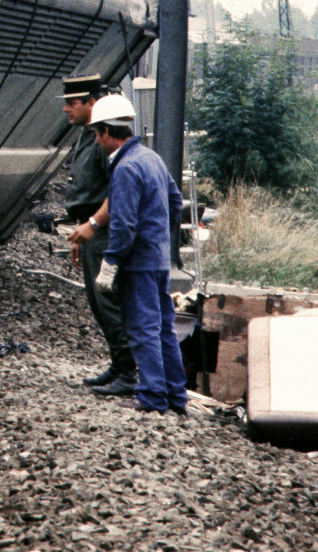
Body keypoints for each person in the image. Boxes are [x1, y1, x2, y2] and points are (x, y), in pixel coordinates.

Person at [88, 94, 187, 416]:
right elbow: (175, 201)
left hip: (139, 263)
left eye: (96, 133)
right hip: (157, 259)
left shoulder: (125, 167)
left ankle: (152, 397)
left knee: (142, 328)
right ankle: (175, 396)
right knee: (163, 328)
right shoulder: (151, 158)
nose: (96, 140)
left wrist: (111, 262)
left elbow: (124, 223)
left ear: (106, 131)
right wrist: (159, 238)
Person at [61, 75, 136, 396]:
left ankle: (129, 374)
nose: (66, 109)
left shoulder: (105, 142)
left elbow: (116, 192)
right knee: (97, 302)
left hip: (103, 231)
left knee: (108, 301)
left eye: (72, 103)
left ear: (92, 103)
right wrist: (84, 231)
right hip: (91, 230)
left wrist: (91, 225)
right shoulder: (87, 136)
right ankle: (119, 366)